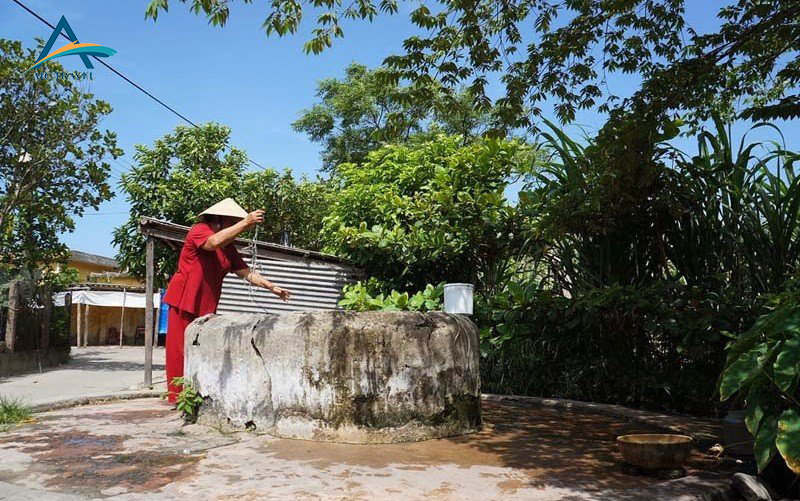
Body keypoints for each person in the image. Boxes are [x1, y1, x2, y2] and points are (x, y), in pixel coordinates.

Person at [162, 198, 291, 403]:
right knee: (180, 350)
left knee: (200, 348)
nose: (235, 226)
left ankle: (197, 393)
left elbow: (245, 272)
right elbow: (212, 243)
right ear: (218, 220)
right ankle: (178, 398)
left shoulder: (228, 247)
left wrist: (271, 287)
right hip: (184, 299)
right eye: (232, 222)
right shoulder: (199, 230)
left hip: (206, 304)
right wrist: (246, 222)